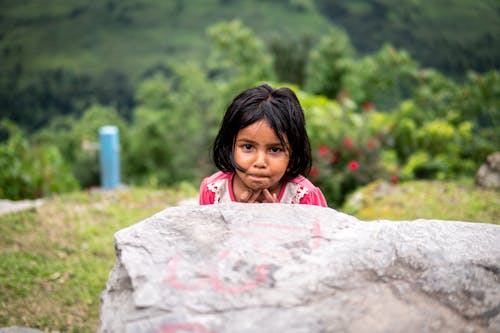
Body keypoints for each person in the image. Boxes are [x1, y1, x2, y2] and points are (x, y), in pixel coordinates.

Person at [199, 83, 327, 207]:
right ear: (230, 147)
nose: (260, 162)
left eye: (275, 149)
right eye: (248, 147)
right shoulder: (214, 191)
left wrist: (281, 219)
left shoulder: (304, 197)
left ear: (292, 153)